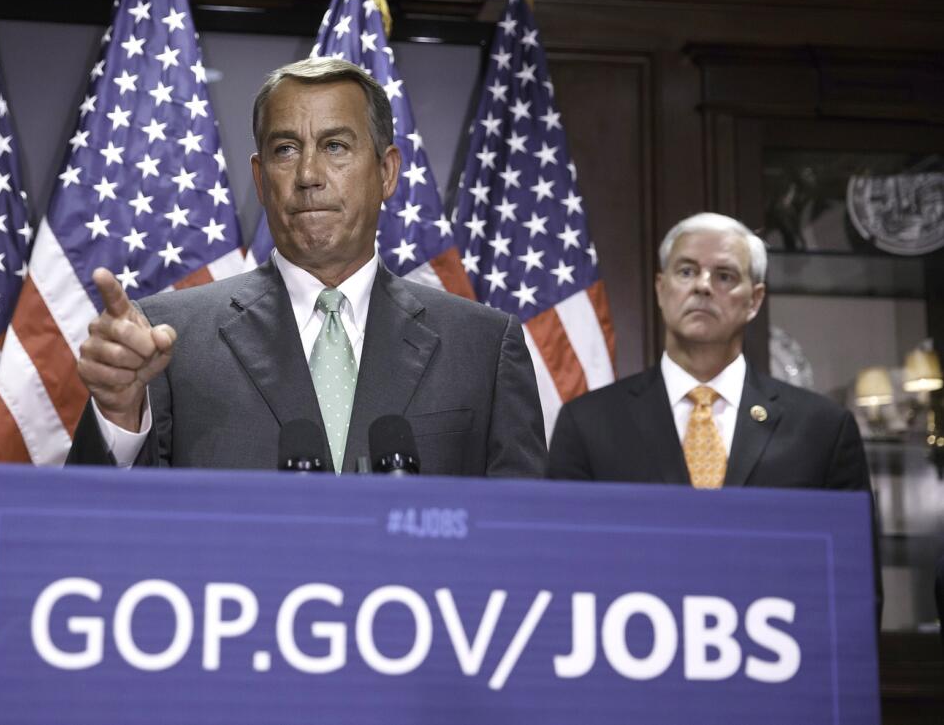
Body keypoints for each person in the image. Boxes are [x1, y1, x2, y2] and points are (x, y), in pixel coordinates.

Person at [67, 57, 546, 476]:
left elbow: (526, 540)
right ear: (261, 177)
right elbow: (95, 528)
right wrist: (119, 415)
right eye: (286, 150)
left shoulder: (483, 348)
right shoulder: (169, 339)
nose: (309, 176)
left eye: (335, 146)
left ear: (387, 172)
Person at [549, 212, 870, 492]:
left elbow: (850, 557)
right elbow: (563, 552)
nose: (703, 286)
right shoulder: (589, 423)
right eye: (686, 271)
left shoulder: (822, 429)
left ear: (754, 301)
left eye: (724, 276)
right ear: (661, 289)